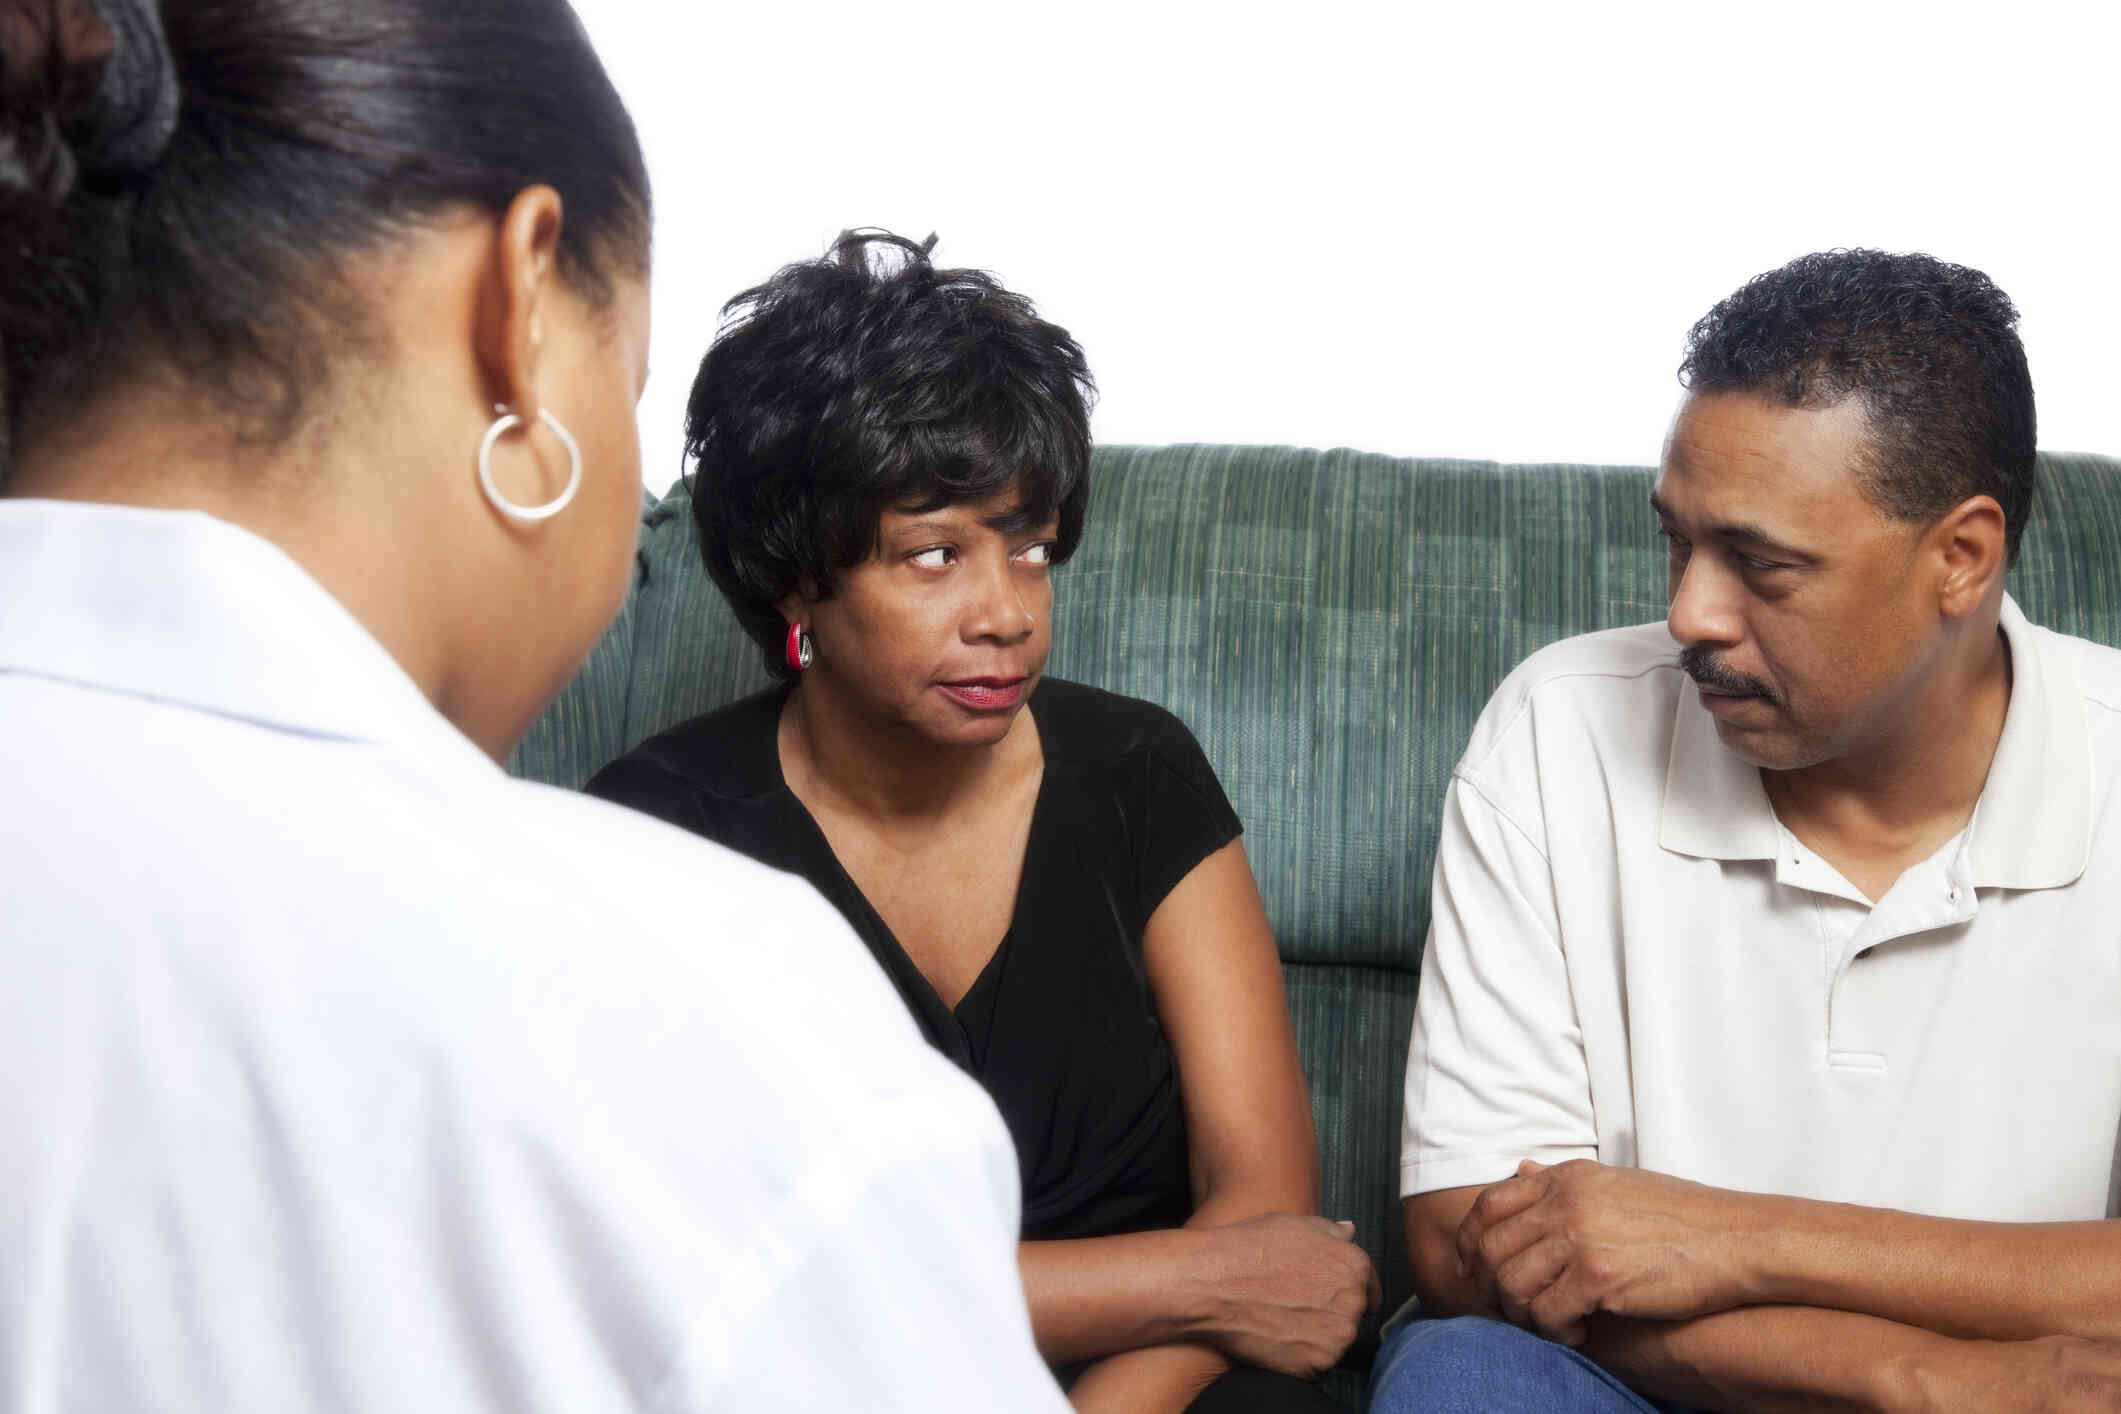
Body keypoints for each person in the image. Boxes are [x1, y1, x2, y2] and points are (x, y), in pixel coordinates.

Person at [0, 3, 1066, 1409]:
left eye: (1027, 545)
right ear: (516, 304)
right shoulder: (716, 1022)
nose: (1000, 604)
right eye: (623, 382)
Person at [585, 232, 1377, 1414]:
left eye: (1031, 546)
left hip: (1166, 1383)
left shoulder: (1138, 769)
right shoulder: (656, 835)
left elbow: (1264, 1202)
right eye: (935, 555)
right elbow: (699, 1286)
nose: (1005, 612)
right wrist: (1188, 1277)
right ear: (796, 579)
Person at [1370, 249, 2121, 1413]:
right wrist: (1917, 1376)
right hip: (1685, 1391)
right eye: (1677, 540)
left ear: (1961, 558)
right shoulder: (1558, 725)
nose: (1689, 614)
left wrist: (1738, 1239)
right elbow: (1466, 1247)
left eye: (1761, 565)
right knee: (1462, 1374)